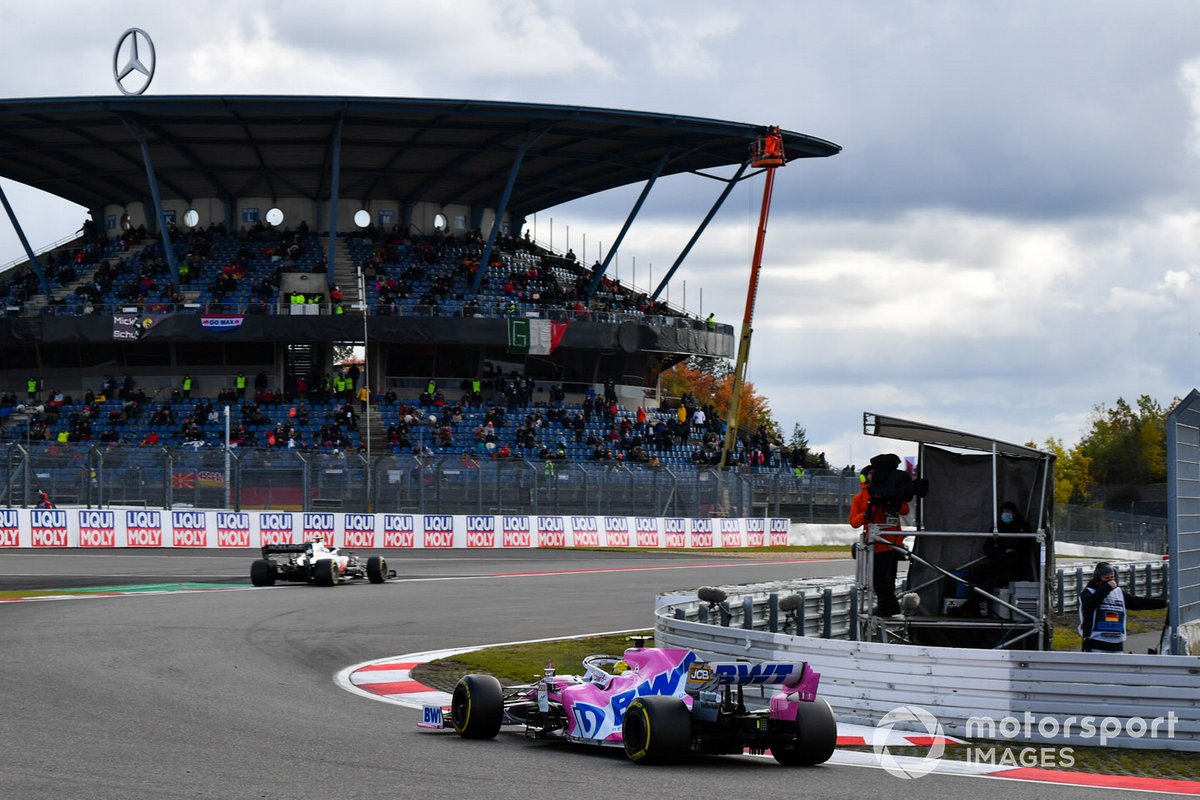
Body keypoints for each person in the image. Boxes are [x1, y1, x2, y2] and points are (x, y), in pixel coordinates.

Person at [849, 463, 909, 617]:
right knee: (878, 581)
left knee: (887, 580)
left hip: (892, 543)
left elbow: (904, 509)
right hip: (874, 544)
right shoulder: (859, 498)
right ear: (864, 476)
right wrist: (865, 515)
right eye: (871, 474)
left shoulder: (892, 492)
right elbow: (854, 522)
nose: (873, 476)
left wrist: (893, 503)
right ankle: (888, 607)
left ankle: (889, 607)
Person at [1078, 562, 1167, 652]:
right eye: (1106, 578)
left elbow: (1137, 602)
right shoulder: (1089, 592)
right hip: (1095, 642)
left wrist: (1163, 603)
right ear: (1098, 578)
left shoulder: (1119, 592)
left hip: (1117, 643)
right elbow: (1090, 604)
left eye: (1112, 578)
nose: (1110, 581)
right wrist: (1107, 588)